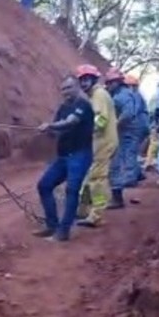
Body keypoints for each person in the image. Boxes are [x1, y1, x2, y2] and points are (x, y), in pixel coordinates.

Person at [33, 75, 95, 241]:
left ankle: (63, 231)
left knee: (72, 190)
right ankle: (52, 225)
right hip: (64, 156)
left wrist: (50, 126)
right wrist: (48, 132)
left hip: (80, 154)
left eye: (68, 88)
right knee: (44, 185)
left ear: (77, 88)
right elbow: (57, 130)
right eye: (63, 89)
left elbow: (71, 122)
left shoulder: (83, 105)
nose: (65, 92)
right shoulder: (62, 107)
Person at [75, 64, 117, 227]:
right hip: (99, 143)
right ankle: (83, 211)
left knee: (97, 179)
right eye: (82, 80)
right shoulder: (95, 95)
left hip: (103, 143)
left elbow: (101, 119)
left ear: (93, 79)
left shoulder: (99, 95)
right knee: (88, 177)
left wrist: (86, 129)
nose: (84, 83)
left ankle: (97, 215)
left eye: (87, 79)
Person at [101, 68, 141, 208]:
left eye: (111, 83)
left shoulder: (121, 95)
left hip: (125, 132)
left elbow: (128, 114)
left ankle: (118, 197)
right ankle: (121, 190)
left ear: (117, 82)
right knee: (121, 161)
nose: (109, 86)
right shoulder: (123, 94)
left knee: (117, 163)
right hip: (127, 132)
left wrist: (115, 124)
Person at [124, 74, 150, 184]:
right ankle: (138, 173)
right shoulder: (138, 95)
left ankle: (131, 178)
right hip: (142, 126)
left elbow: (132, 113)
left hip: (137, 127)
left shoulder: (134, 96)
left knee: (130, 151)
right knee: (133, 150)